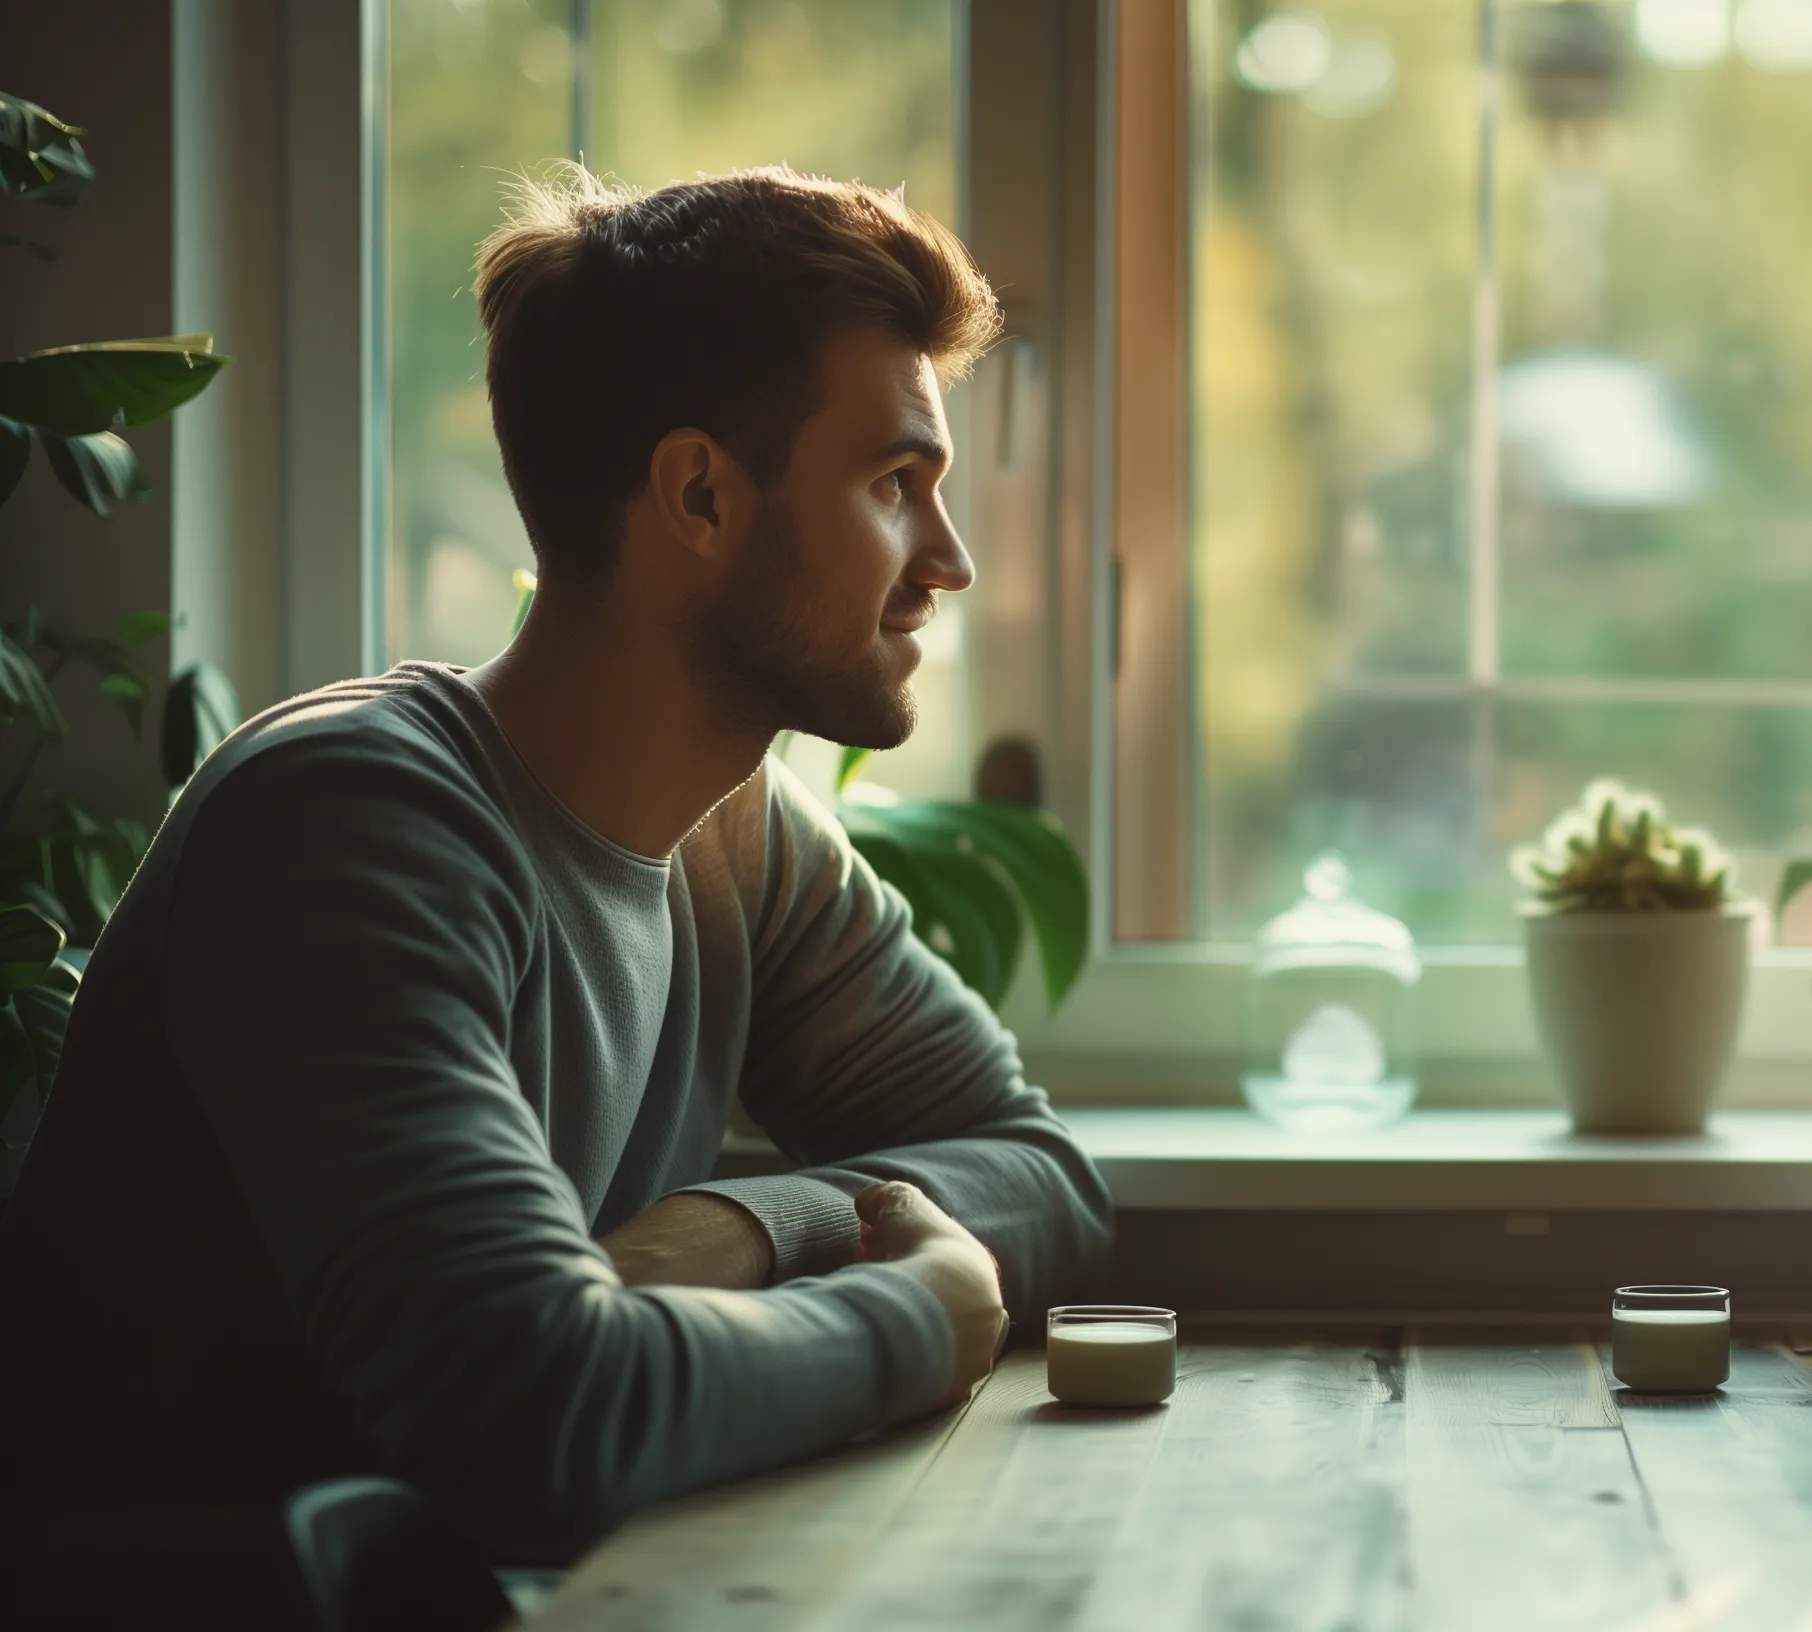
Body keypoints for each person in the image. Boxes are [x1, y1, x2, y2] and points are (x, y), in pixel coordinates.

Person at [0, 165, 1112, 1563]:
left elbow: (1043, 1172)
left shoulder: (740, 837)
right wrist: (921, 1314)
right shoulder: (349, 824)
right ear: (700, 495)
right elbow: (536, 1422)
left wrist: (747, 1226)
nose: (946, 560)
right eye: (896, 483)